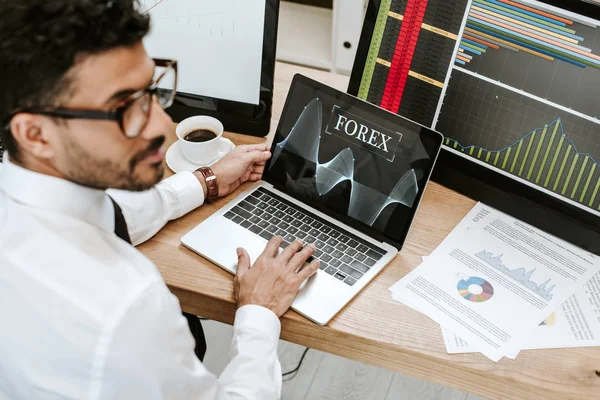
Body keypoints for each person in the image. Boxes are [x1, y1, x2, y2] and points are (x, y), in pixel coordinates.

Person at [0, 1, 319, 399]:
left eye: (152, 90)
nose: (163, 125)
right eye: (125, 107)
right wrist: (259, 312)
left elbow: (107, 214)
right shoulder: (125, 309)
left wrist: (205, 181)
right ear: (35, 134)